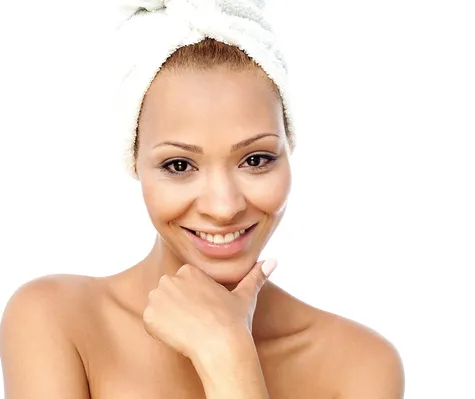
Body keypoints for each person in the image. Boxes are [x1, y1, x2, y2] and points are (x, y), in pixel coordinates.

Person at [0, 0, 404, 397]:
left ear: (289, 151)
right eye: (179, 165)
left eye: (256, 159)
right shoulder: (55, 321)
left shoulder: (361, 365)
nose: (224, 206)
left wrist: (228, 357)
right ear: (134, 162)